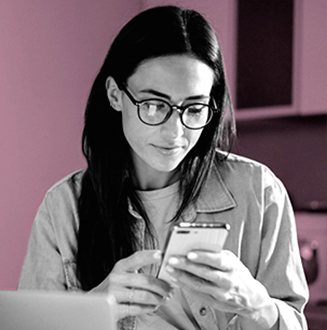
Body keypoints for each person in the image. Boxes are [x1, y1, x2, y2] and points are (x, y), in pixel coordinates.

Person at [18, 5, 308, 330]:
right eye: (154, 105)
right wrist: (96, 307)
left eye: (194, 108)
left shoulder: (259, 192)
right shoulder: (63, 207)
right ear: (115, 95)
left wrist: (256, 305)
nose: (176, 133)